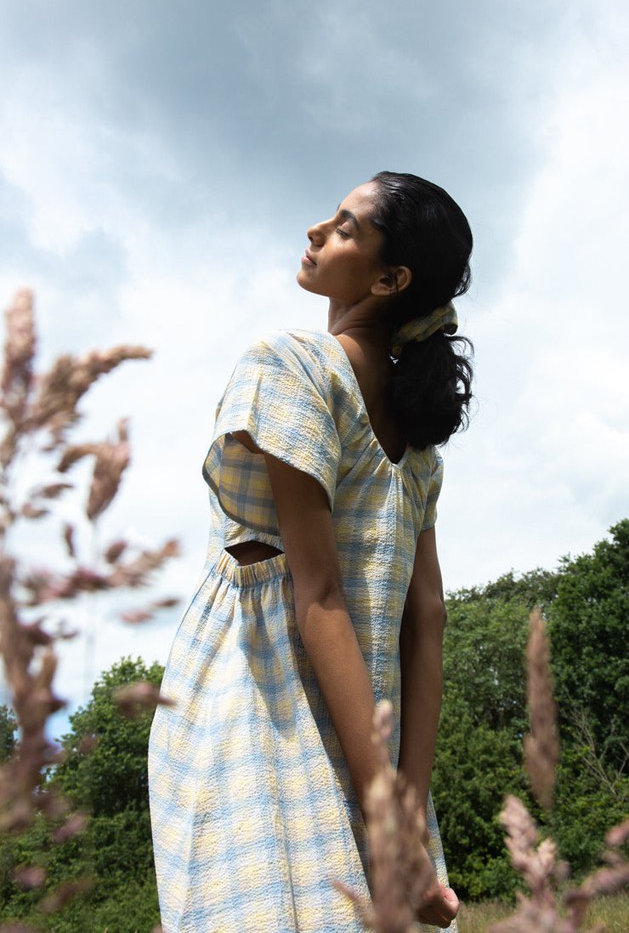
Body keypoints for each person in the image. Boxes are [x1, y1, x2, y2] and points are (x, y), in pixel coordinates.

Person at [148, 170, 473, 932]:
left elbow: (318, 595)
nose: (316, 231)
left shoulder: (291, 364)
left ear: (391, 279)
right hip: (373, 743)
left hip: (258, 709)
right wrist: (405, 806)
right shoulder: (419, 449)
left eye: (345, 226)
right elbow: (429, 622)